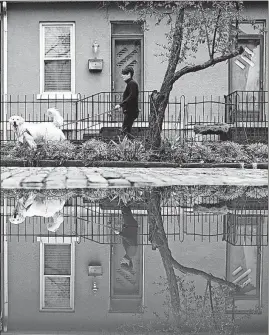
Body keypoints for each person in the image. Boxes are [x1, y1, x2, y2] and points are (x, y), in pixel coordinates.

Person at [115, 66, 139, 138]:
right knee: (126, 130)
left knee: (125, 131)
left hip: (131, 111)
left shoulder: (132, 83)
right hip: (129, 111)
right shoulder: (130, 84)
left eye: (124, 74)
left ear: (129, 74)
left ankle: (134, 143)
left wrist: (121, 104)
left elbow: (132, 96)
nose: (122, 76)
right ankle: (130, 145)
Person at [118, 205, 139, 273]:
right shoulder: (131, 253)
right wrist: (119, 233)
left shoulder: (129, 254)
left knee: (126, 209)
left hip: (130, 226)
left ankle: (127, 200)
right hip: (131, 226)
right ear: (127, 263)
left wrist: (123, 229)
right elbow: (130, 239)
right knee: (124, 208)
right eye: (122, 262)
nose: (121, 260)